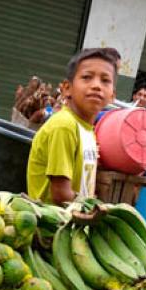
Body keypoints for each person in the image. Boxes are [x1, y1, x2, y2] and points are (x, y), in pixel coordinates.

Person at [27, 48, 117, 205]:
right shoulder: (65, 126)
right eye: (87, 77)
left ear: (112, 96)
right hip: (53, 225)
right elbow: (61, 195)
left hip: (75, 222)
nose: (96, 85)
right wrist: (100, 210)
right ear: (67, 88)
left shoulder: (88, 130)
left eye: (105, 80)